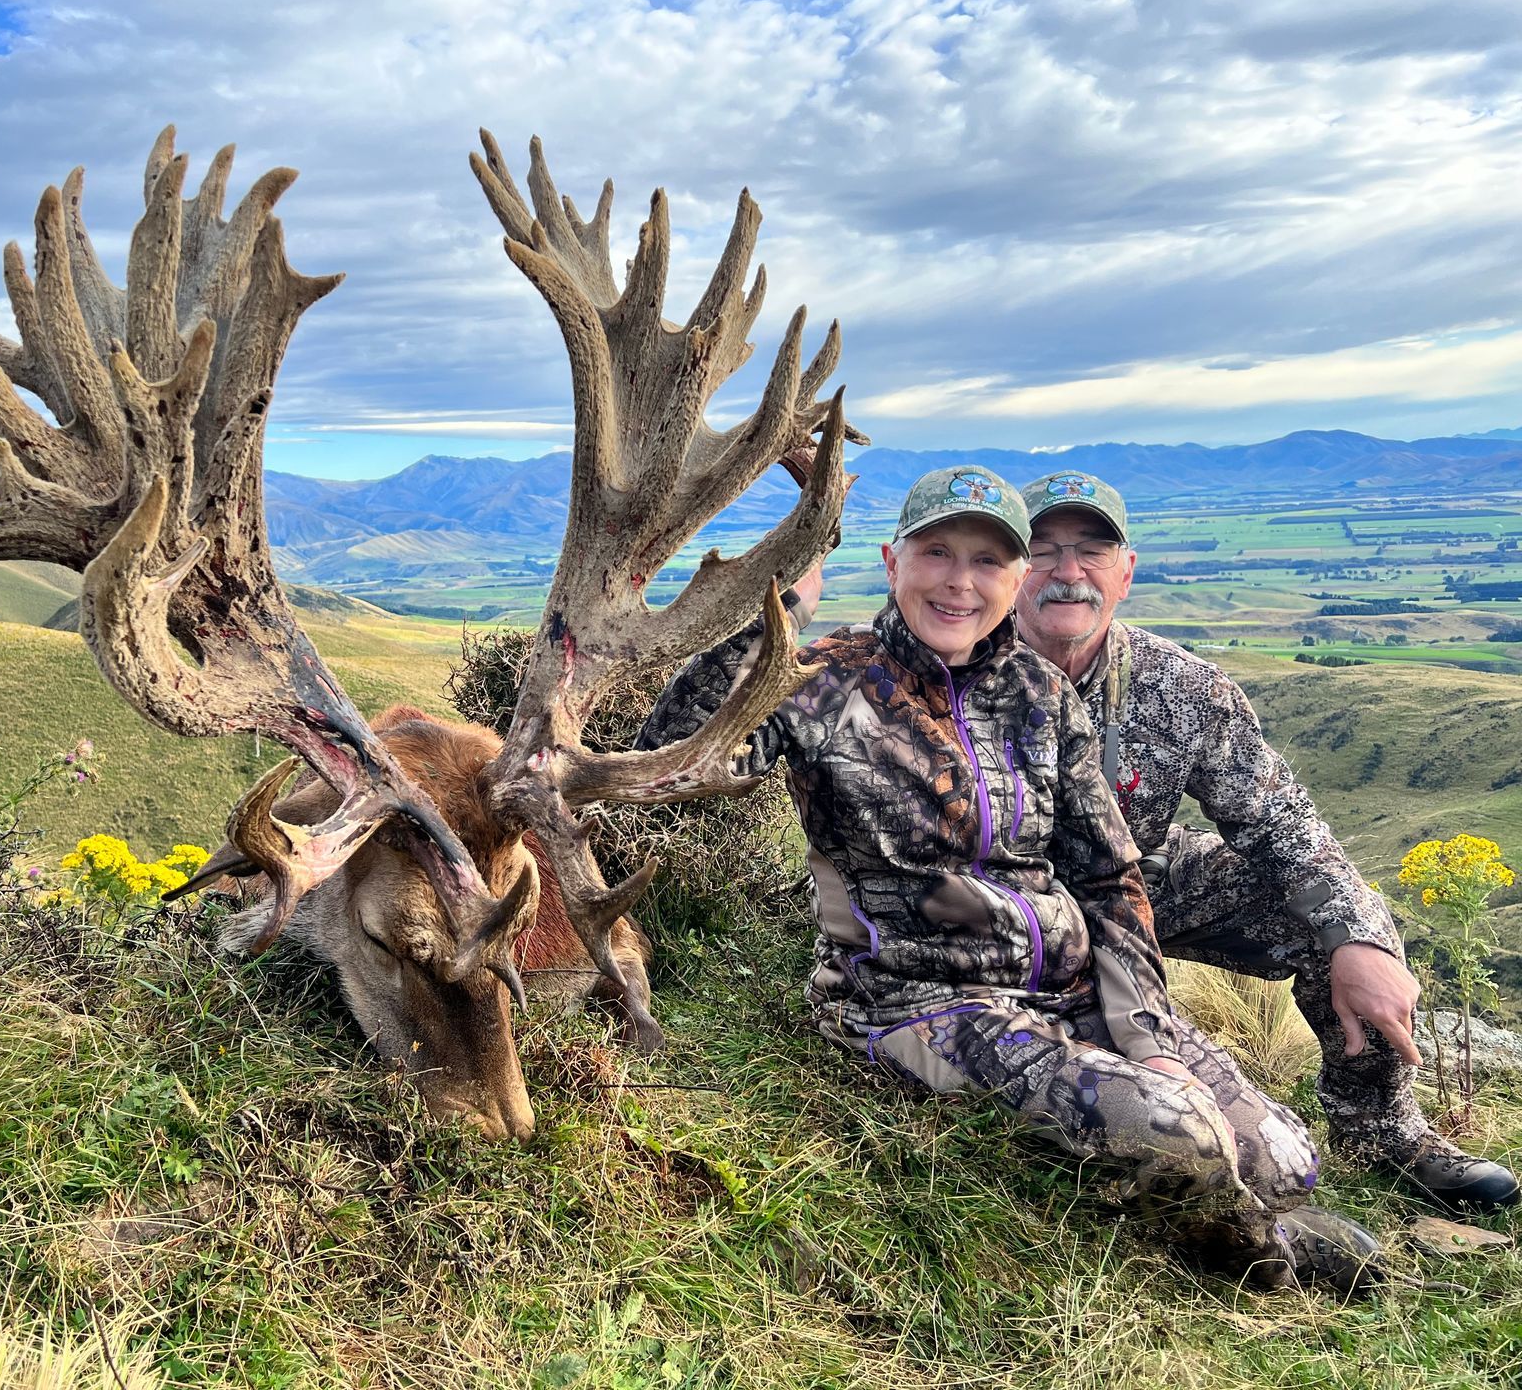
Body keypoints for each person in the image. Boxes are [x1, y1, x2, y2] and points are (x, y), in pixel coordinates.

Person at [639, 465, 1363, 1288]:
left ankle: (1251, 1201)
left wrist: (1147, 1036)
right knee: (1187, 1136)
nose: (960, 581)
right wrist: (773, 622)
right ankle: (1264, 1263)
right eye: (937, 552)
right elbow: (671, 771)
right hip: (916, 1000)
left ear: (1015, 580)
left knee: (1283, 1156)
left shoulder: (1041, 692)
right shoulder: (822, 680)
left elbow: (1108, 873)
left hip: (1068, 986)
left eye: (988, 562)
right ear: (892, 562)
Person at [1012, 468, 1518, 1213]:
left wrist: (1360, 938)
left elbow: (1282, 821)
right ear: (1006, 568)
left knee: (1340, 920)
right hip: (992, 902)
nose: (1067, 573)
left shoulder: (1183, 689)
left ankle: (1379, 1130)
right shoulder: (952, 667)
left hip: (1130, 882)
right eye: (1041, 551)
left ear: (1126, 572)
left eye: (1091, 551)